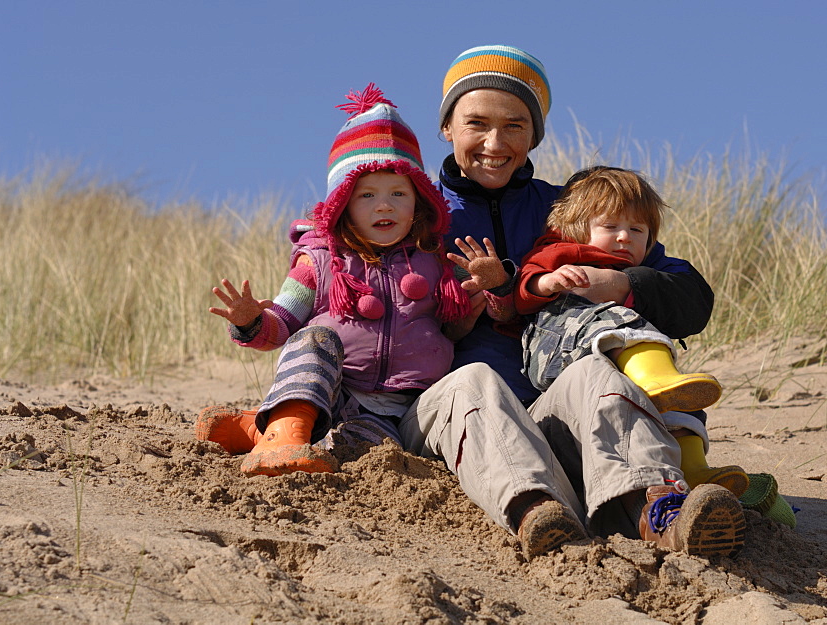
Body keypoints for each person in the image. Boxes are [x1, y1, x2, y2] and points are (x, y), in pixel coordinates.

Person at [398, 44, 746, 560]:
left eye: (515, 125)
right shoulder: (408, 208)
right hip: (449, 423)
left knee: (593, 374)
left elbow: (690, 297)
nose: (495, 142)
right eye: (476, 123)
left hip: (551, 419)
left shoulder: (572, 212)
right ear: (447, 126)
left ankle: (663, 512)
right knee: (476, 380)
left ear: (535, 134)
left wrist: (622, 286)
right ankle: (536, 513)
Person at [196, 84, 482, 477]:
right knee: (316, 339)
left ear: (419, 200)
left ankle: (257, 430)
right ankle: (283, 435)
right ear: (342, 205)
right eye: (367, 196)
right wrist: (250, 321)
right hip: (327, 389)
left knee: (364, 449)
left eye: (399, 192)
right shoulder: (320, 261)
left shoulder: (436, 261)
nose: (384, 204)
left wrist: (484, 290)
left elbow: (463, 320)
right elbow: (280, 326)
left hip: (394, 407)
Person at [513, 166, 748, 496]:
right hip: (556, 349)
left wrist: (626, 284)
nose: (624, 236)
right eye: (610, 226)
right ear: (576, 231)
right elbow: (525, 284)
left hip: (616, 360)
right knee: (619, 321)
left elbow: (693, 296)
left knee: (679, 407)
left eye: (637, 230)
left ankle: (695, 469)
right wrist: (547, 282)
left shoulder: (646, 268)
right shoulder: (563, 250)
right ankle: (655, 379)